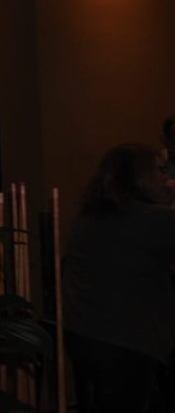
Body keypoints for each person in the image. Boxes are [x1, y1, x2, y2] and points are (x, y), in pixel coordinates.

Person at [63, 144, 175, 413]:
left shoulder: (91, 217)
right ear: (141, 176)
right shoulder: (151, 219)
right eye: (159, 170)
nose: (165, 176)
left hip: (85, 335)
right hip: (128, 340)